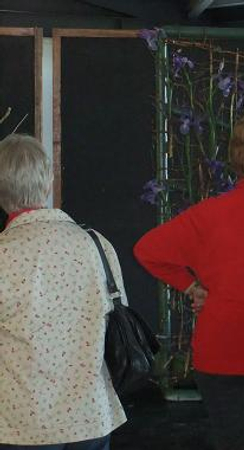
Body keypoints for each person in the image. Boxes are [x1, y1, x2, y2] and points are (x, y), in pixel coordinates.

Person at [134, 112, 244, 450]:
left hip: (221, 351)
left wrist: (192, 287)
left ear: (235, 157)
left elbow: (147, 250)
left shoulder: (208, 214)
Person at [0, 135, 127, 449]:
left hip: (22, 424)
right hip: (91, 417)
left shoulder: (3, 254)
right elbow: (118, 316)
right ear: (48, 182)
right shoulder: (98, 245)